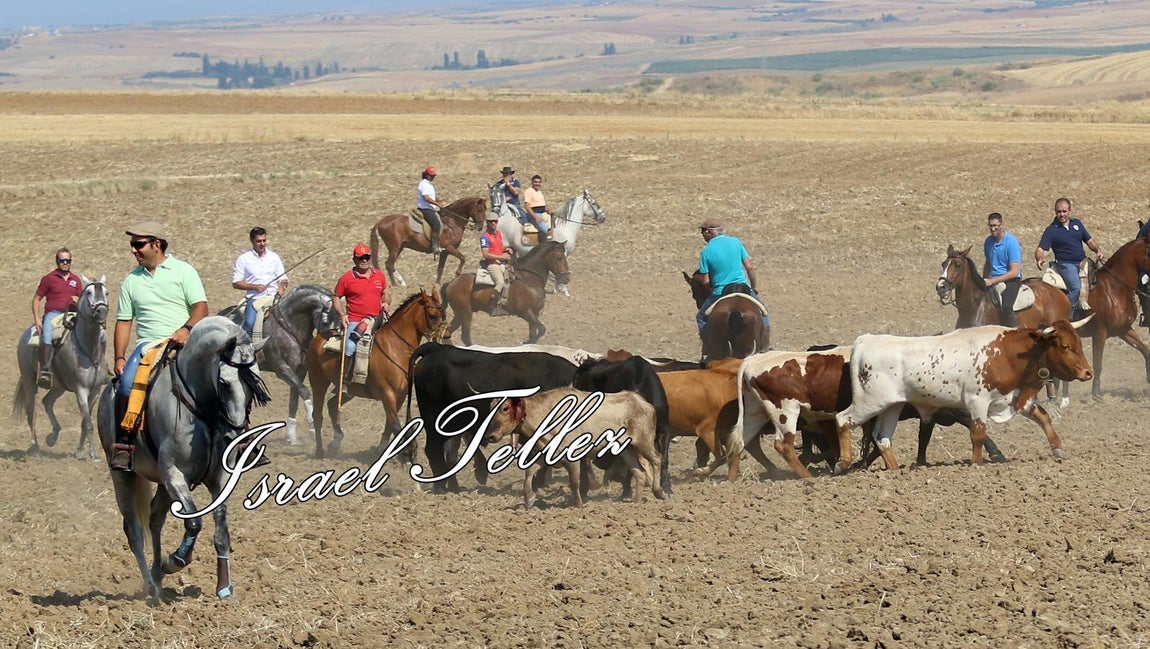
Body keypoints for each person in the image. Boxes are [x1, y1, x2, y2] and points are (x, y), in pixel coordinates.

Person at [111, 222, 209, 472]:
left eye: (138, 244)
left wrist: (186, 329)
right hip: (149, 347)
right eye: (132, 245)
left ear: (157, 244)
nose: (133, 250)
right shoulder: (131, 281)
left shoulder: (183, 271)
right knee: (125, 384)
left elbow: (201, 307)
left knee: (225, 375)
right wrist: (120, 357)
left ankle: (240, 437)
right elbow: (124, 322)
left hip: (184, 341)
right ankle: (125, 444)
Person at [695, 219, 770, 352]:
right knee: (764, 314)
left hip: (720, 291)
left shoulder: (706, 251)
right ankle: (764, 347)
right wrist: (754, 287)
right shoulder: (736, 242)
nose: (702, 235)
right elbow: (750, 268)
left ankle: (708, 349)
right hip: (742, 287)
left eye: (703, 231)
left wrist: (713, 288)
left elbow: (705, 281)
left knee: (701, 317)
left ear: (709, 232)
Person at [1035, 197, 1106, 318]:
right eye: (1059, 212)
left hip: (1083, 262)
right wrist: (1039, 258)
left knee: (1100, 280)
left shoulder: (1077, 224)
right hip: (1065, 265)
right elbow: (1041, 248)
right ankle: (1068, 316)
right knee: (1076, 288)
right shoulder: (1051, 230)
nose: (1061, 214)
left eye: (1064, 211)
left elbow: (1089, 240)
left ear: (1070, 211)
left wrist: (1098, 250)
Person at [333, 243, 390, 386]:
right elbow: (336, 297)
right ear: (354, 260)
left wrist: (386, 303)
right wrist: (342, 315)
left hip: (378, 318)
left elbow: (385, 293)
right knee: (350, 346)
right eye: (360, 258)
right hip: (356, 320)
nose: (364, 260)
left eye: (367, 257)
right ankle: (346, 379)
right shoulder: (346, 279)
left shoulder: (379, 275)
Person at [32, 247, 83, 389]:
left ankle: (100, 366)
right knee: (47, 333)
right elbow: (36, 299)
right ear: (57, 261)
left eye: (68, 260)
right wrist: (37, 319)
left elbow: (84, 300)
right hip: (54, 314)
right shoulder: (48, 279)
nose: (65, 263)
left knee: (94, 331)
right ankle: (46, 371)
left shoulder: (76, 280)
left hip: (73, 314)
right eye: (62, 260)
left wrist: (78, 299)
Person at [232, 226, 287, 338]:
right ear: (252, 241)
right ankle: (247, 350)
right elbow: (236, 283)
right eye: (258, 241)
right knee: (249, 324)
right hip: (255, 298)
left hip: (273, 297)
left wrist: (281, 288)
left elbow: (283, 278)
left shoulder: (274, 257)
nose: (262, 244)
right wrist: (254, 287)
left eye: (264, 240)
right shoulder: (244, 259)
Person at [983, 212, 1023, 327]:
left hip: (1011, 280)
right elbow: (988, 263)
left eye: (996, 225)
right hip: (992, 279)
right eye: (991, 226)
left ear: (1001, 225)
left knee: (1006, 306)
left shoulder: (1011, 243)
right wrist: (984, 278)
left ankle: (1013, 330)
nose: (993, 228)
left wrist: (992, 281)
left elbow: (1014, 271)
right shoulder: (988, 242)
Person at [479, 215, 513, 316]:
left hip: (501, 262)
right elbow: (486, 254)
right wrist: (502, 257)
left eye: (495, 221)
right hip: (492, 264)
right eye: (491, 221)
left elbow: (499, 247)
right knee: (500, 282)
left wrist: (506, 249)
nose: (493, 223)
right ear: (487, 223)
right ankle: (492, 307)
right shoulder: (484, 237)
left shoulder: (498, 234)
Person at [417, 166, 443, 254]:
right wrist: (437, 204)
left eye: (433, 175)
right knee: (436, 224)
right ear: (426, 175)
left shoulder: (429, 184)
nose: (433, 177)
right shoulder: (424, 184)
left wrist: (438, 200)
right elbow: (426, 198)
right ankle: (434, 245)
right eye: (431, 175)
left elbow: (431, 196)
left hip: (431, 207)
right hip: (425, 208)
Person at [521, 174, 551, 240]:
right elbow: (527, 206)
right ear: (532, 182)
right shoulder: (529, 191)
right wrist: (536, 217)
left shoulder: (539, 192)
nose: (537, 184)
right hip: (534, 214)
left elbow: (541, 205)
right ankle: (544, 247)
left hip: (543, 213)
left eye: (539, 182)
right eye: (535, 182)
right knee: (545, 229)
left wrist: (548, 210)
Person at [1137, 216, 1150, 326]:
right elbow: (1137, 247)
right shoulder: (1146, 228)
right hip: (1147, 266)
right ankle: (1146, 314)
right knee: (1142, 282)